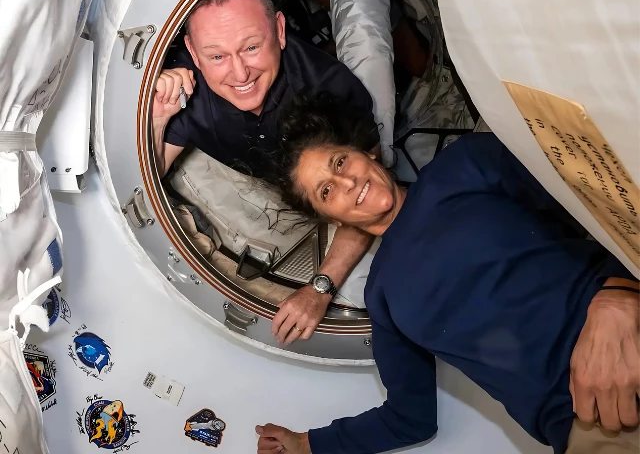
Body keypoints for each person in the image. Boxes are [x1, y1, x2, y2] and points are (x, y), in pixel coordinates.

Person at [255, 93, 640, 454]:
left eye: (340, 162)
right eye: (326, 191)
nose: (347, 182)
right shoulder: (383, 296)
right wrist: (308, 444)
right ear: (332, 220)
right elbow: (410, 418)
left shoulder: (463, 165)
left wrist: (619, 295)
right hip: (592, 423)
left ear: (366, 151)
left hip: (626, 331)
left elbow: (601, 201)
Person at [152, 0, 380, 343]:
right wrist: (159, 117)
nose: (240, 73)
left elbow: (370, 197)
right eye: (217, 56)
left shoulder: (330, 90)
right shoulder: (185, 86)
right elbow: (153, 173)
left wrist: (319, 288)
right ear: (193, 52)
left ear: (279, 30)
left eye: (251, 47)